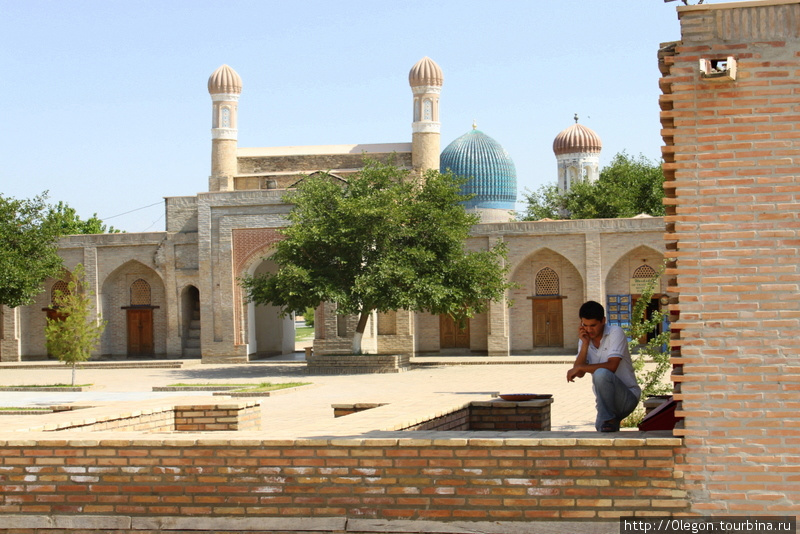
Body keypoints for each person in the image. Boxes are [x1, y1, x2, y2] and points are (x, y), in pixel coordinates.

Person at [566, 300, 641, 432]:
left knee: (601, 373)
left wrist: (580, 368)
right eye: (585, 325)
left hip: (627, 397)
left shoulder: (615, 332)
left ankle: (609, 419)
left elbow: (612, 366)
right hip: (604, 403)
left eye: (593, 325)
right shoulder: (584, 338)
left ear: (603, 321)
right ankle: (609, 420)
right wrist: (584, 344)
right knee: (604, 435)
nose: (589, 329)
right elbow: (579, 373)